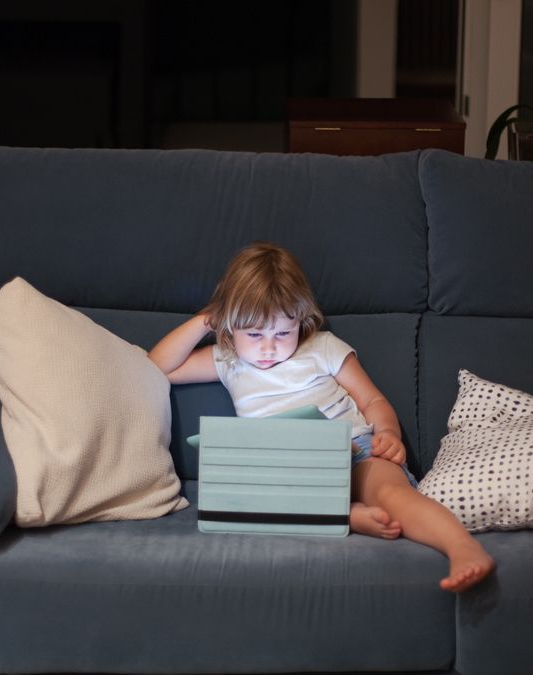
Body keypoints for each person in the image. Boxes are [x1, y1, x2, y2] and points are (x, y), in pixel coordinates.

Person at [147, 242, 494, 593]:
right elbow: (157, 367)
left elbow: (372, 399)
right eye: (253, 334)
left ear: (301, 320)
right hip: (284, 470)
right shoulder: (228, 359)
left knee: (392, 493)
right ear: (230, 326)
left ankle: (461, 548)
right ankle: (347, 516)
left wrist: (389, 433)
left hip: (354, 448)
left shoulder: (322, 347)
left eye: (283, 332)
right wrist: (208, 318)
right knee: (242, 499)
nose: (268, 347)